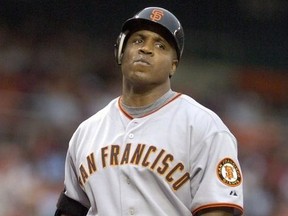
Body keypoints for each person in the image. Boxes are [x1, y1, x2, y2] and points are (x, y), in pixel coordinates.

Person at [54, 6, 244, 216]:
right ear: (121, 52)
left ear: (173, 65)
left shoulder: (205, 127)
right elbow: (70, 209)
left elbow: (217, 210)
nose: (146, 49)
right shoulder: (86, 132)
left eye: (161, 45)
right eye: (137, 40)